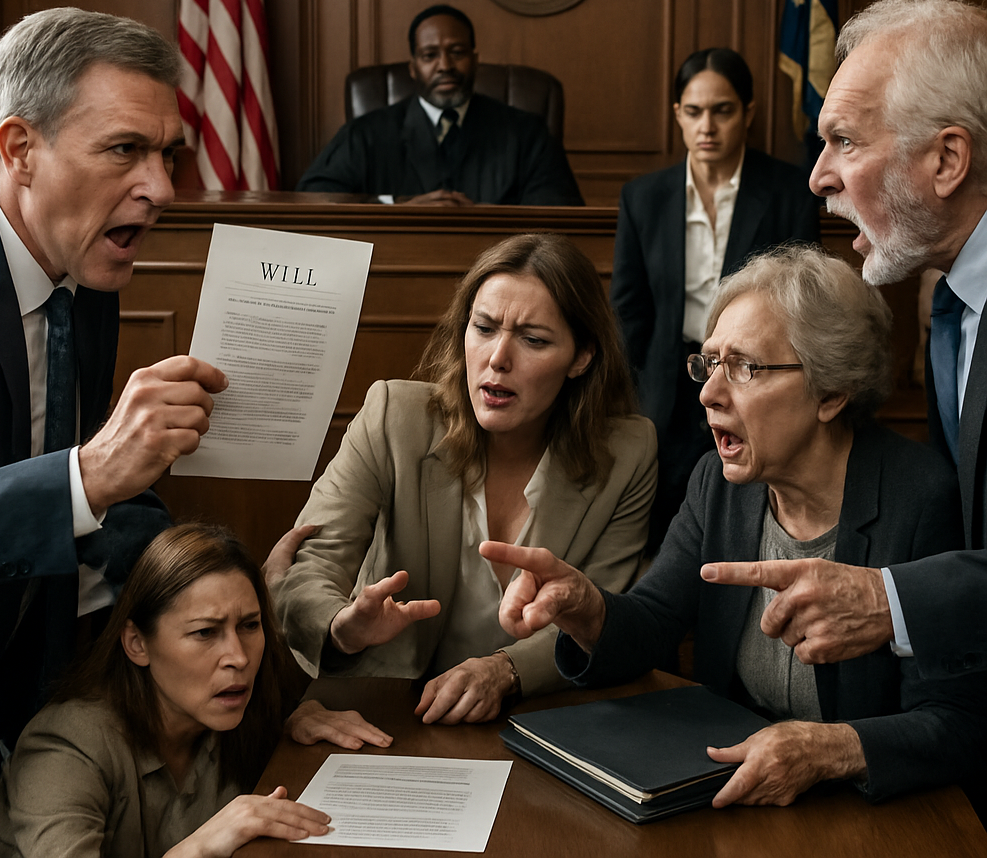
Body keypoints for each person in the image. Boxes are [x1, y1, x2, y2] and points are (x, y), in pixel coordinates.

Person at [483, 246, 987, 806]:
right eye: (709, 364)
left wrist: (830, 749)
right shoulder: (717, 483)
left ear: (831, 391)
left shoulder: (920, 498)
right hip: (731, 796)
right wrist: (586, 608)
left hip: (868, 815)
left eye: (745, 368)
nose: (708, 394)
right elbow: (655, 622)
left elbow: (956, 720)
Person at [0, 7, 238, 834]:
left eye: (167, 156)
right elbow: (83, 480)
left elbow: (104, 505)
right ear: (19, 149)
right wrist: (85, 477)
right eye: (125, 150)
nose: (160, 189)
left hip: (23, 706)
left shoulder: (82, 272)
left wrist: (227, 586)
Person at [700, 0, 987, 683]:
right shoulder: (951, 307)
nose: (818, 176)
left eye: (846, 141)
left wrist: (888, 599)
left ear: (947, 159)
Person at [273, 233, 656, 725]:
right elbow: (309, 566)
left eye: (533, 339)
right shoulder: (394, 415)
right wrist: (341, 627)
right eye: (484, 328)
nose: (498, 358)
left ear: (581, 358)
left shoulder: (627, 451)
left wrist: (505, 671)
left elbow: (599, 618)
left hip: (539, 717)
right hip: (387, 709)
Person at [0, 523, 389, 858]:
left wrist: (294, 716)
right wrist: (202, 846)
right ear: (137, 643)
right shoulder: (65, 746)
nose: (238, 657)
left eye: (249, 626)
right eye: (205, 632)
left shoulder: (239, 707)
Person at [611, 47, 820, 551]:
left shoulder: (790, 191)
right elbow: (629, 308)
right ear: (678, 115)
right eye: (694, 111)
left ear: (747, 113)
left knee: (740, 508)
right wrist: (637, 389)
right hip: (667, 383)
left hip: (752, 377)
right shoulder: (644, 197)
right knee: (661, 525)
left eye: (722, 110)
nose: (707, 126)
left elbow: (802, 304)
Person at [296, 4, 584, 206]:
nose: (444, 65)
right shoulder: (365, 133)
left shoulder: (526, 133)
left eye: (457, 52)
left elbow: (560, 209)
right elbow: (314, 196)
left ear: (475, 59)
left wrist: (488, 215)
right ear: (412, 68)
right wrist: (397, 205)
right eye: (429, 55)